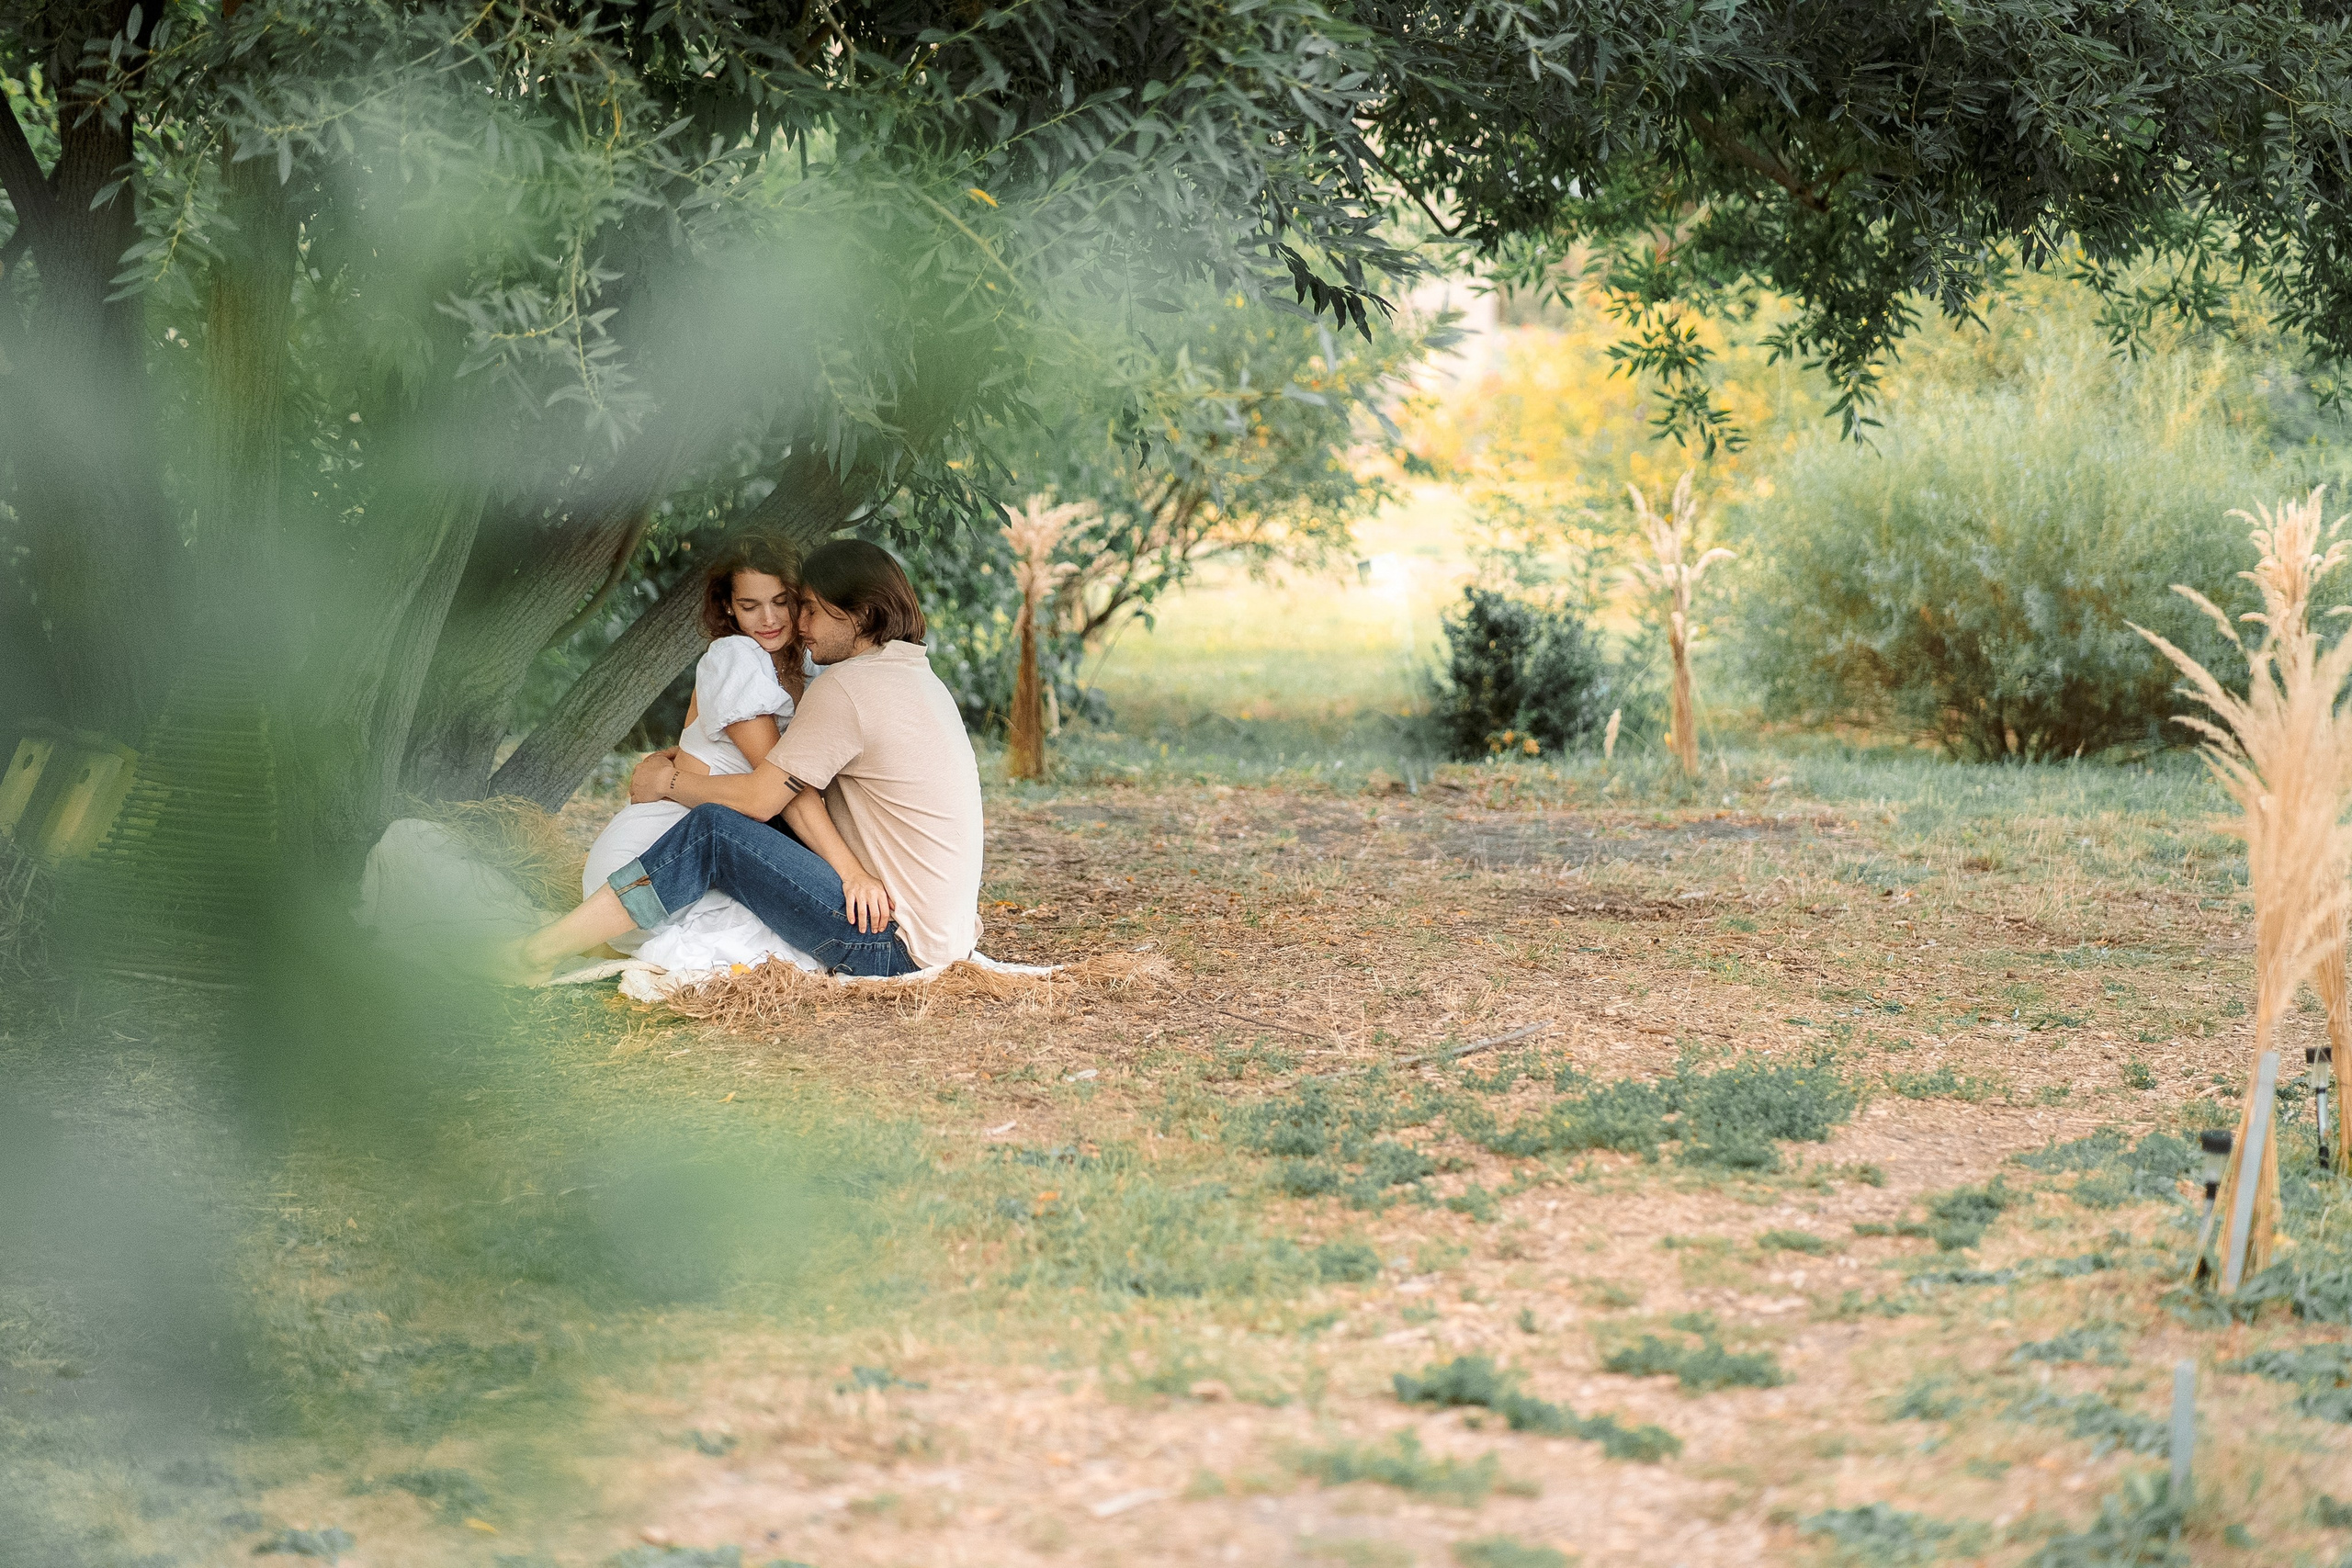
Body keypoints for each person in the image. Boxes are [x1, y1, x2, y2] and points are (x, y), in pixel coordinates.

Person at [511, 540, 983, 979]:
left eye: (809, 610)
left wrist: (666, 780)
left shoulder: (845, 688)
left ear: (858, 615)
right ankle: (589, 936)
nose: (799, 624)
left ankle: (533, 953)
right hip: (940, 941)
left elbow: (760, 800)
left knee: (715, 828)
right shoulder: (916, 678)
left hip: (889, 945)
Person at [578, 536, 819, 972]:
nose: (768, 619)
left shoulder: (805, 661)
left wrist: (667, 767)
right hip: (659, 852)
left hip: (713, 846)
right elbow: (772, 790)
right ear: (727, 606)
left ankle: (604, 941)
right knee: (794, 949)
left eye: (781, 601)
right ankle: (590, 938)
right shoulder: (735, 655)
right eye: (749, 606)